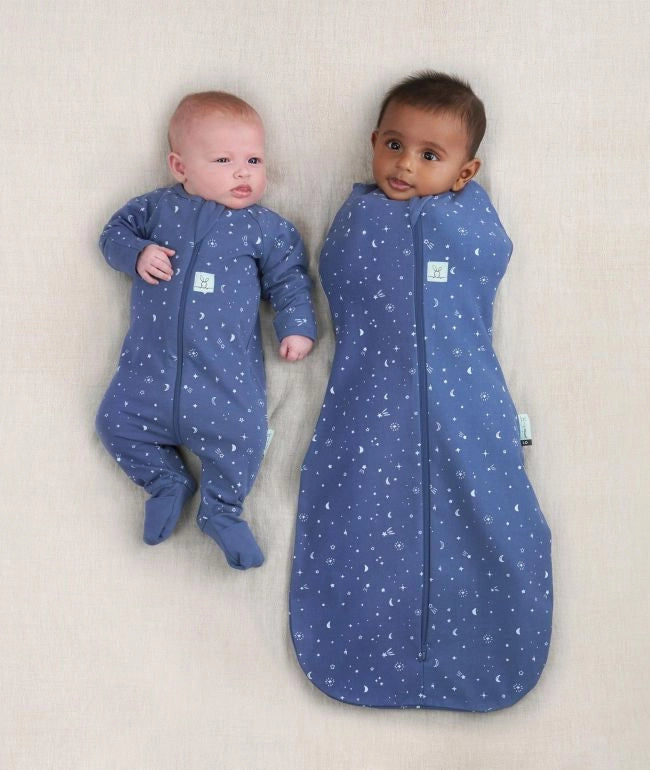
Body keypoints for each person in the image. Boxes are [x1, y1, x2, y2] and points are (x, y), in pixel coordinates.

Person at [288, 72, 552, 710]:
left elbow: (491, 262)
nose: (405, 165)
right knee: (360, 510)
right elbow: (338, 276)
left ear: (466, 172)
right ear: (374, 142)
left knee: (488, 513)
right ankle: (365, 650)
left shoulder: (473, 221)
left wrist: (438, 229)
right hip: (369, 404)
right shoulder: (358, 218)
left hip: (469, 403)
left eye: (431, 155)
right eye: (395, 145)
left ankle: (480, 651)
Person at [96, 91, 317, 570]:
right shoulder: (154, 210)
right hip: (147, 376)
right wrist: (136, 253)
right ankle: (165, 480)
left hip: (223, 384)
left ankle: (222, 509)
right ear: (180, 167)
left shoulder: (266, 228)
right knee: (113, 423)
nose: (243, 173)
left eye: (253, 160)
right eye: (223, 160)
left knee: (247, 437)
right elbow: (112, 234)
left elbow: (290, 280)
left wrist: (297, 326)